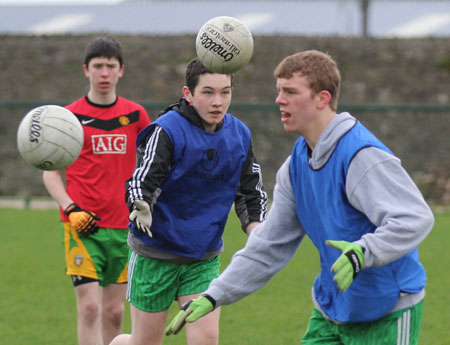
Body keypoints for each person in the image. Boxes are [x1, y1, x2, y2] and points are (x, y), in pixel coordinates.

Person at [165, 50, 435, 345]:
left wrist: (363, 251)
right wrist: (215, 294)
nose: (280, 100)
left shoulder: (360, 155)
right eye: (279, 91)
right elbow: (269, 244)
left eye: (291, 92)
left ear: (322, 98)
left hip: (386, 311)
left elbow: (415, 217)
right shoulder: (296, 166)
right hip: (331, 312)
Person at [109, 57, 268, 345]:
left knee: (206, 339)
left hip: (202, 258)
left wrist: (256, 227)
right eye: (208, 92)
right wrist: (139, 203)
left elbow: (249, 189)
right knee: (144, 342)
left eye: (225, 92)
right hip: (154, 254)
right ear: (188, 94)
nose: (217, 101)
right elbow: (142, 179)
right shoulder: (167, 130)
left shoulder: (239, 135)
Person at [43, 36, 151, 345]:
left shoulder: (135, 116)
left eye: (110, 66)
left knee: (115, 312)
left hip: (124, 227)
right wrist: (70, 208)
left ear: (121, 71)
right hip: (82, 226)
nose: (104, 73)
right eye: (98, 66)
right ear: (85, 70)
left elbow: (153, 162)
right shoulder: (68, 119)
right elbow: (51, 174)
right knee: (89, 307)